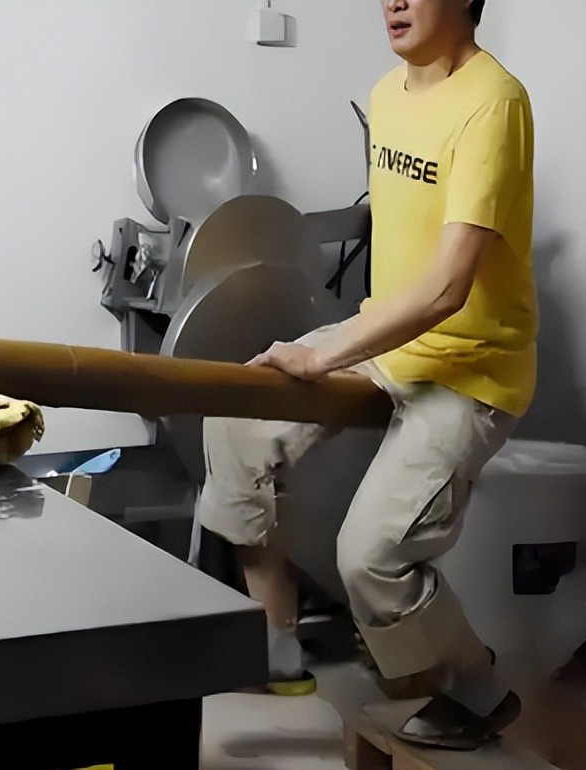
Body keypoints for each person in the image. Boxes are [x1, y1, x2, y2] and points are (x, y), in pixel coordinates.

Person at [195, 0, 535, 752]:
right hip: (392, 340)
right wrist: (340, 338)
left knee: (369, 559)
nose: (394, 1)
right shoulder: (385, 96)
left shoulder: (494, 103)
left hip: (471, 366)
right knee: (235, 419)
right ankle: (277, 647)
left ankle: (478, 684)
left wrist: (323, 355)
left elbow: (448, 289)